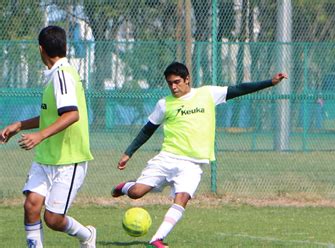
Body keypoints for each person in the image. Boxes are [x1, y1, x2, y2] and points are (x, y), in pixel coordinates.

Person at [111, 62, 287, 248]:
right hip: (167, 157)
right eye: (170, 83)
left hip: (193, 164)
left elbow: (239, 89)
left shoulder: (207, 94)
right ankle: (126, 186)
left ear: (187, 79)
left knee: (183, 197)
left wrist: (270, 82)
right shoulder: (164, 104)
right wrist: (128, 153)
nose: (173, 86)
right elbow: (148, 130)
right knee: (137, 193)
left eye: (177, 82)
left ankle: (157, 239)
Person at [0, 26, 95, 248]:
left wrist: (40, 135)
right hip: (46, 157)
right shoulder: (55, 74)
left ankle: (87, 235)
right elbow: (51, 115)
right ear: (64, 46)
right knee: (31, 205)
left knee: (53, 219)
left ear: (41, 49)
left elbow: (72, 114)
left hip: (68, 160)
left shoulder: (62, 75)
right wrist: (20, 125)